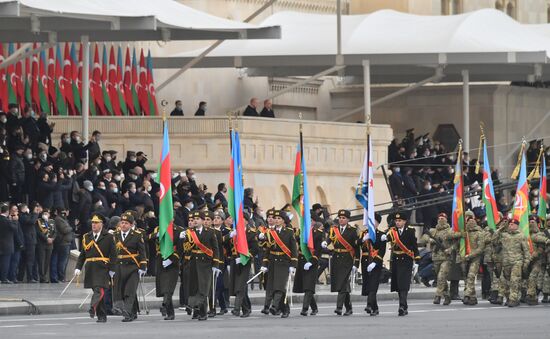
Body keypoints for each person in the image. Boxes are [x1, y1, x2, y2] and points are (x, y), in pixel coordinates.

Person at [74, 214, 117, 323]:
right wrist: (78, 267)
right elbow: (82, 255)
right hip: (91, 268)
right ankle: (102, 316)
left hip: (103, 267)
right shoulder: (87, 237)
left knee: (99, 289)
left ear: (101, 224)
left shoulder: (108, 236)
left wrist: (112, 269)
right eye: (93, 222)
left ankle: (92, 307)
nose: (94, 224)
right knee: (97, 290)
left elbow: (114, 254)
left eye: (96, 223)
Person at [181, 211, 221, 321]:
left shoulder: (210, 232)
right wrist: (183, 239)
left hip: (205, 264)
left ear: (203, 221)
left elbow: (215, 249)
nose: (195, 221)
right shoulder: (189, 233)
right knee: (194, 288)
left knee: (203, 288)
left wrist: (215, 264)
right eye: (194, 219)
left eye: (198, 219)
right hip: (193, 263)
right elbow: (186, 249)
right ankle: (196, 311)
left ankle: (202, 312)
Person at [321, 209, 360, 316]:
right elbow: (330, 238)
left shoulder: (352, 230)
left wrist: (356, 263)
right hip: (336, 258)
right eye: (340, 218)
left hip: (347, 258)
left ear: (348, 219)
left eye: (344, 218)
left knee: (342, 282)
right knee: (342, 283)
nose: (341, 220)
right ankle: (349, 308)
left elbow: (356, 248)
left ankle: (339, 307)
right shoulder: (334, 229)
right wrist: (326, 242)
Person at [260, 210, 297, 318]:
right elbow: (267, 249)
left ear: (283, 220)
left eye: (279, 218)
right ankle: (285, 310)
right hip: (273, 262)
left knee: (279, 287)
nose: (276, 220)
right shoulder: (270, 232)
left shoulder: (289, 232)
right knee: (272, 286)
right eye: (275, 218)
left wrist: (293, 265)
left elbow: (293, 250)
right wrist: (264, 264)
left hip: (284, 262)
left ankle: (274, 306)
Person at [112, 212, 147, 322]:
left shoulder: (137, 235)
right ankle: (133, 311)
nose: (123, 225)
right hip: (119, 266)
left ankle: (127, 313)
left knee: (129, 290)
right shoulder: (115, 235)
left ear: (131, 225)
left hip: (133, 267)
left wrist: (143, 266)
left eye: (126, 223)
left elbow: (142, 252)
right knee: (122, 291)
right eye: (122, 223)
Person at [384, 213, 420, 316]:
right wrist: (383, 237)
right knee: (399, 285)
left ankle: (402, 306)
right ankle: (403, 305)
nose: (398, 222)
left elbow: (414, 246)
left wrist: (416, 261)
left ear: (404, 221)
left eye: (400, 221)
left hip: (406, 260)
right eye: (396, 221)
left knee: (404, 284)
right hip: (396, 260)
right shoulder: (392, 232)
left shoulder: (410, 231)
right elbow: (387, 239)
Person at [149, 221, 184, 320]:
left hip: (173, 261)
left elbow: (181, 249)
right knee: (163, 287)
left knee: (169, 287)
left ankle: (165, 305)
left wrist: (171, 259)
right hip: (161, 260)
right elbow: (147, 238)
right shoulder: (158, 229)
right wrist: (157, 235)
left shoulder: (180, 230)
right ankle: (169, 311)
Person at [228, 212, 259, 318]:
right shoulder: (234, 233)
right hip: (234, 262)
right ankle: (246, 309)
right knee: (239, 286)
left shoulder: (251, 233)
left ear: (246, 221)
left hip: (245, 263)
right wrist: (229, 236)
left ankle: (236, 309)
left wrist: (245, 257)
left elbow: (255, 249)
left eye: (241, 219)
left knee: (240, 286)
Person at [293, 216, 324, 316]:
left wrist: (312, 261)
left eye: (309, 220)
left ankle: (304, 309)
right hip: (302, 261)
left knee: (308, 287)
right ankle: (314, 308)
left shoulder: (318, 234)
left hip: (311, 262)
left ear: (313, 221)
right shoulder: (301, 232)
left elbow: (318, 250)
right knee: (305, 286)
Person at [427, 213, 461, 305]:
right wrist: (430, 240)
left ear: (446, 219)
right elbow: (424, 239)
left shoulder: (450, 231)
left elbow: (458, 241)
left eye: (443, 218)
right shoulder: (433, 231)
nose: (441, 220)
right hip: (436, 258)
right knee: (441, 279)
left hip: (446, 258)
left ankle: (438, 296)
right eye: (440, 218)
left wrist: (450, 249)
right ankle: (447, 296)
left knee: (441, 276)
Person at [360, 213, 387, 315]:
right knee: (368, 284)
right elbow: (356, 244)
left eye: (374, 221)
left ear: (377, 223)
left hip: (376, 262)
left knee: (373, 285)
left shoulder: (381, 235)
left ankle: (369, 305)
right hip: (365, 261)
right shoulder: (364, 233)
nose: (371, 223)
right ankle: (375, 308)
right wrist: (363, 239)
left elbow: (382, 251)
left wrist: (375, 262)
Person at [462, 211, 485, 306]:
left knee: (471, 276)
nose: (470, 222)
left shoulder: (479, 233)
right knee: (467, 279)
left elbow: (480, 248)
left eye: (472, 219)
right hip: (464, 258)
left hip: (475, 258)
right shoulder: (464, 233)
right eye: (468, 220)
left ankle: (467, 295)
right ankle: (473, 297)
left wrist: (470, 255)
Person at [0, 203, 18, 283]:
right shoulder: (7, 221)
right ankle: (3, 278)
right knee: (5, 263)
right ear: (7, 211)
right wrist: (15, 221)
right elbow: (15, 229)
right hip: (7, 245)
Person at [36, 209, 55, 283]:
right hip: (42, 244)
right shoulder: (39, 221)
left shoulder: (52, 221)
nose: (46, 214)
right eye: (44, 213)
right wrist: (46, 238)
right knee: (41, 261)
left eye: (47, 213)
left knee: (47, 261)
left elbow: (55, 231)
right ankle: (42, 277)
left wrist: (52, 238)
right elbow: (38, 232)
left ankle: (45, 276)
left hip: (50, 244)